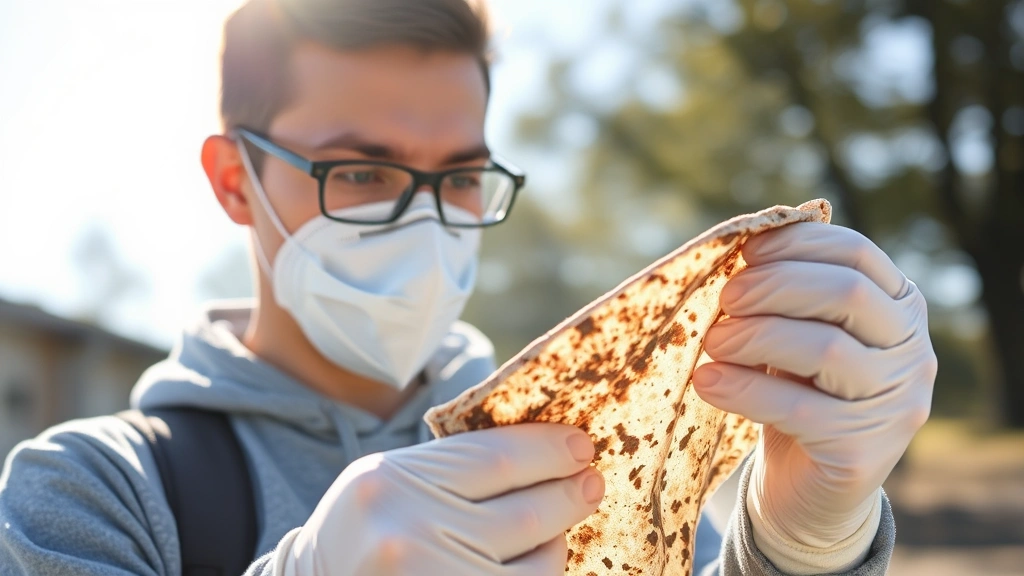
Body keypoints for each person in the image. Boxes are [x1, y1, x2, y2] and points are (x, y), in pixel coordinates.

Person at [0, 0, 936, 574]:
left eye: (457, 179)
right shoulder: (91, 495)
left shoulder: (582, 454)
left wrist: (808, 541)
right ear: (235, 179)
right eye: (359, 172)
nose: (424, 221)